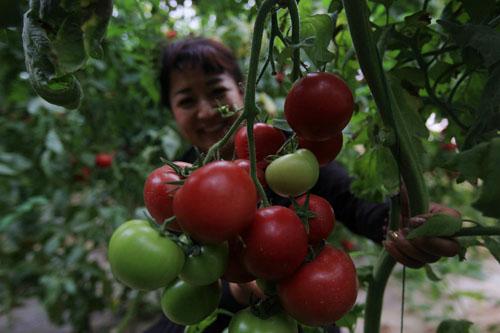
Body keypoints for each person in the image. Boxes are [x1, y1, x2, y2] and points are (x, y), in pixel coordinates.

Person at [145, 37, 460, 333]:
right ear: (172, 112)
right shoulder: (171, 188)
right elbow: (177, 305)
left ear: (242, 91)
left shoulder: (287, 152)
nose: (206, 111)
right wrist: (235, 291)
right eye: (186, 101)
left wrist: (409, 223)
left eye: (217, 91)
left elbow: (353, 202)